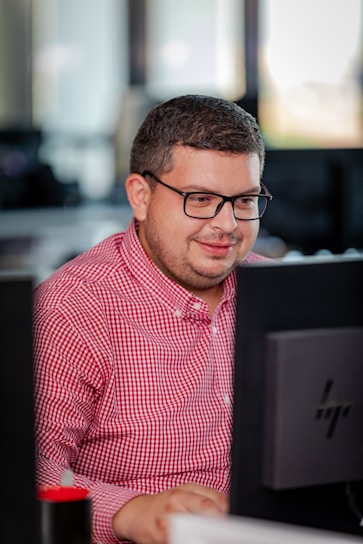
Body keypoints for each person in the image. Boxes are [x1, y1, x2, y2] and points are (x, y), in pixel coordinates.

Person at [33, 94, 273, 544]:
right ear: (141, 197)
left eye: (244, 200)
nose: (227, 225)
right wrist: (130, 512)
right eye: (200, 199)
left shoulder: (282, 291)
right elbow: (24, 473)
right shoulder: (72, 308)